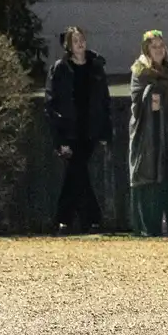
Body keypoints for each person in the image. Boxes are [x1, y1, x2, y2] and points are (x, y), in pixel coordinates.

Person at [47, 26, 112, 233]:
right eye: (75, 41)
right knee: (77, 172)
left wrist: (104, 131)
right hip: (69, 130)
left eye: (82, 39)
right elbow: (52, 102)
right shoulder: (60, 68)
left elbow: (104, 100)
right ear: (68, 45)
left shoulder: (95, 67)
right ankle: (89, 217)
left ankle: (65, 218)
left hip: (89, 129)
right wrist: (59, 138)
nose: (80, 43)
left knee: (76, 173)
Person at [128, 31, 168, 237]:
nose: (158, 50)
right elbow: (138, 100)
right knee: (148, 175)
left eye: (161, 46)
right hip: (147, 134)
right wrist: (154, 94)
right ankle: (148, 226)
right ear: (147, 49)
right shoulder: (141, 72)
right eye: (154, 46)